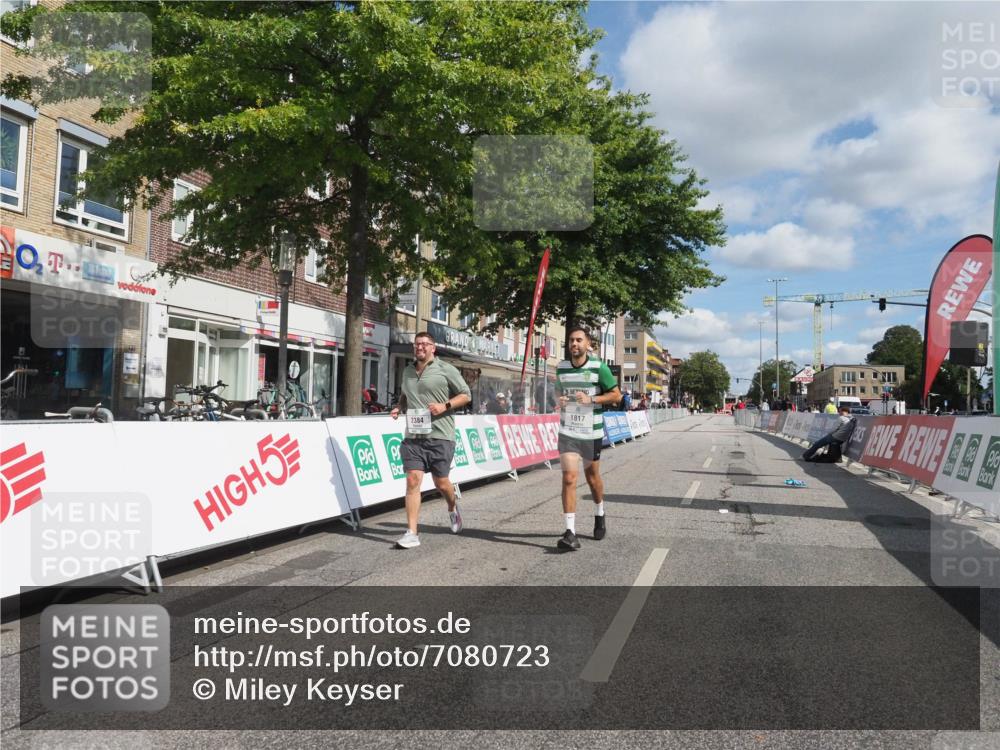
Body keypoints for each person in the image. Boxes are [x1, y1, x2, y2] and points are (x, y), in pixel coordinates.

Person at [390, 332, 472, 549]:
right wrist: (399, 407)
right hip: (413, 436)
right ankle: (411, 533)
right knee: (412, 480)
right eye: (417, 344)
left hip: (440, 435)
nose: (420, 348)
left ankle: (452, 508)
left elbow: (465, 394)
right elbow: (406, 395)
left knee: (441, 483)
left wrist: (444, 406)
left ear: (433, 348)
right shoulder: (408, 371)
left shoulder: (445, 369)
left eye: (425, 344)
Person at [554, 325, 621, 551]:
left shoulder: (599, 368)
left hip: (590, 432)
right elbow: (558, 391)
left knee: (592, 478)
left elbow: (616, 395)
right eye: (571, 340)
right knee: (569, 478)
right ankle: (570, 532)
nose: (574, 344)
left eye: (578, 340)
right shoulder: (561, 368)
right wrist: (560, 400)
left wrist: (591, 400)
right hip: (568, 432)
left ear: (587, 344)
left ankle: (599, 511)